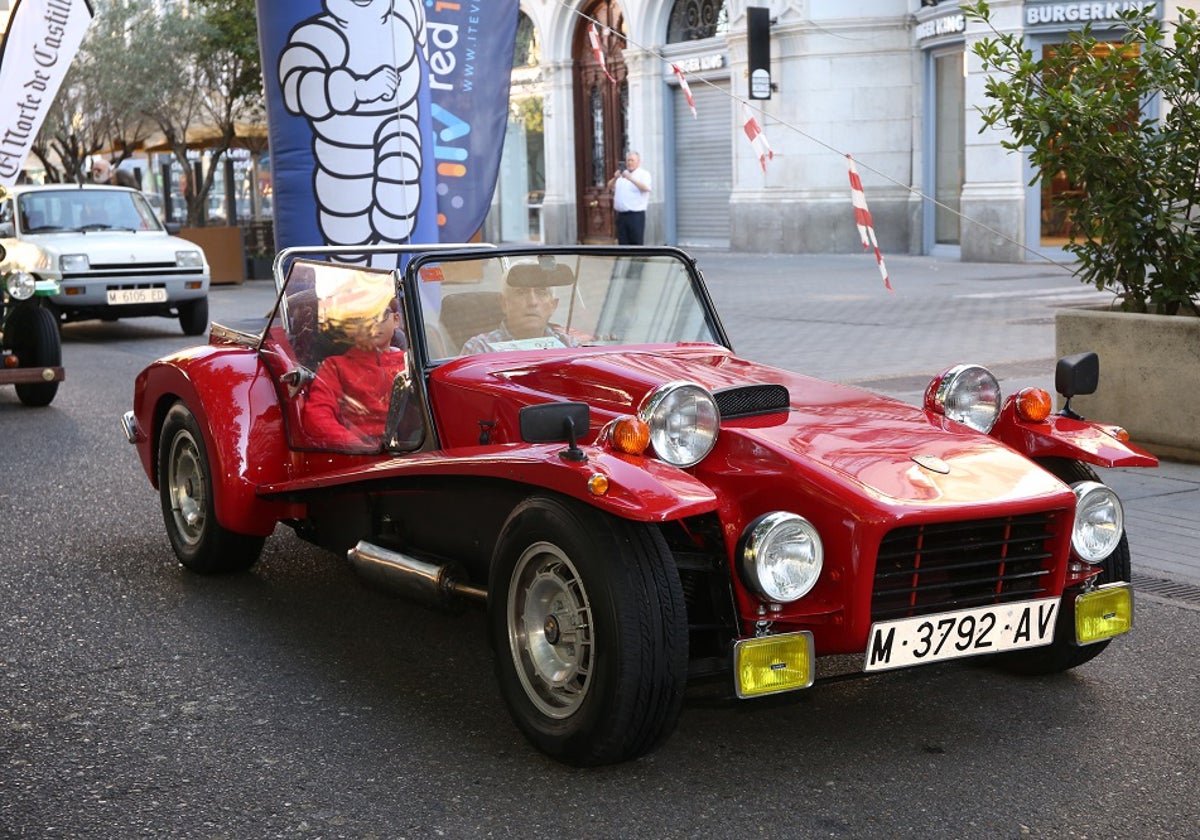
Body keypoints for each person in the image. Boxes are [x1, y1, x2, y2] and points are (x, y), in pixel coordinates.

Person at [303, 299, 407, 449]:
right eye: (360, 318)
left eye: (380, 315)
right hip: (361, 456)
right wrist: (357, 446)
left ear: (396, 320)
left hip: (414, 450)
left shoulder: (410, 362)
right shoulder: (336, 366)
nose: (371, 323)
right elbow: (317, 416)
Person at [460, 268, 579, 355]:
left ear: (553, 305)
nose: (532, 302)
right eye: (521, 292)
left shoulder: (569, 345)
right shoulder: (480, 349)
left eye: (541, 292)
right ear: (504, 303)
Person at [607, 151, 652, 245]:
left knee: (636, 244)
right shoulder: (622, 175)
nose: (629, 163)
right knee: (623, 244)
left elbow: (645, 188)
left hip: (635, 215)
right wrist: (615, 177)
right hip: (622, 216)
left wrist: (630, 178)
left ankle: (637, 259)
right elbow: (609, 186)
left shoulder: (643, 174)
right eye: (628, 160)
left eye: (632, 160)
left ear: (638, 162)